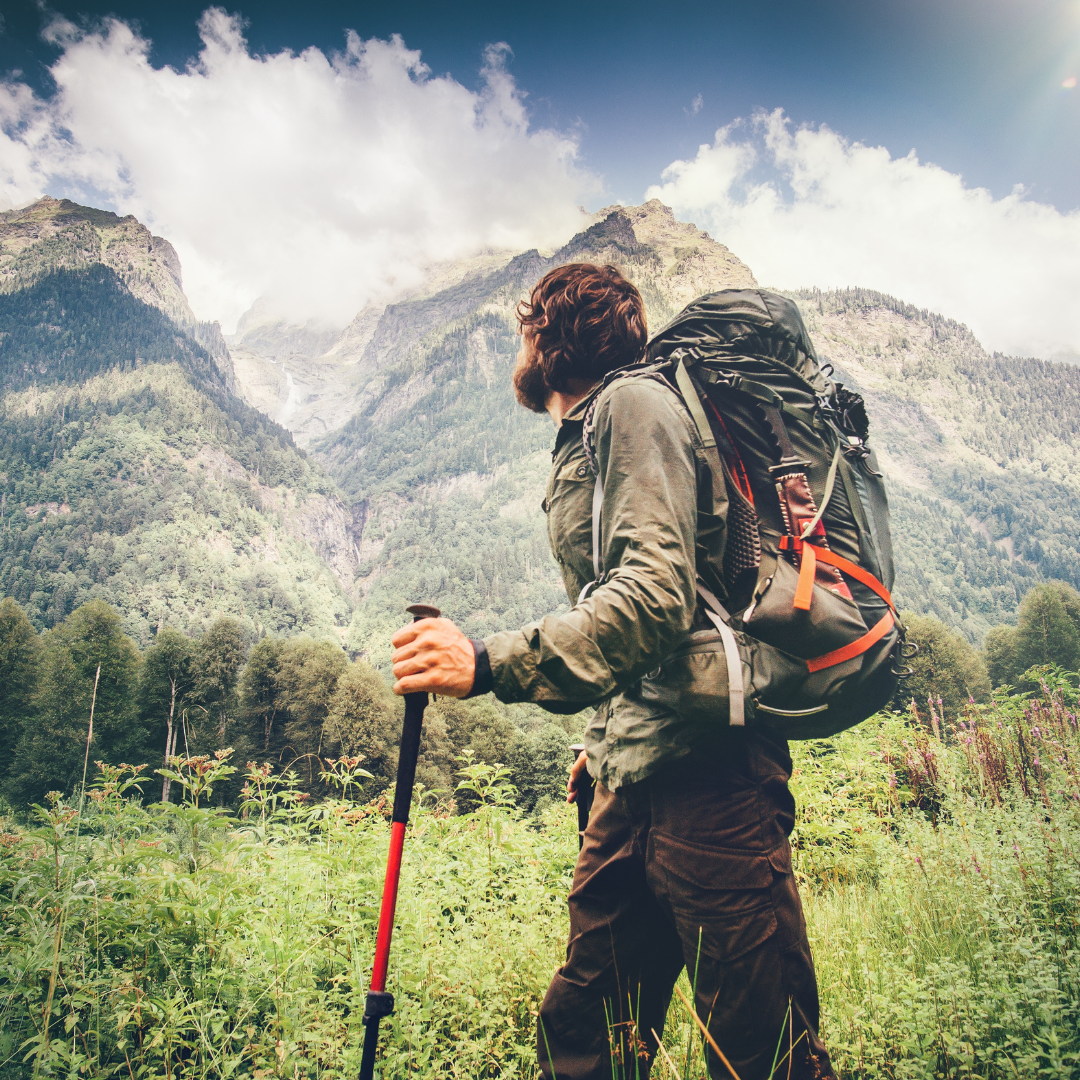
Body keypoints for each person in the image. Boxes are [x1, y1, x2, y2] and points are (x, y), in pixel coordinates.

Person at [389, 262, 835, 1080]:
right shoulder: (597, 427)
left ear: (550, 339)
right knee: (590, 1031)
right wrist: (605, 736)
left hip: (715, 787)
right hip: (629, 784)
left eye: (525, 331)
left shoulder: (633, 404)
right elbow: (651, 599)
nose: (518, 349)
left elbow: (654, 594)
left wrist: (488, 662)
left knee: (763, 1054)